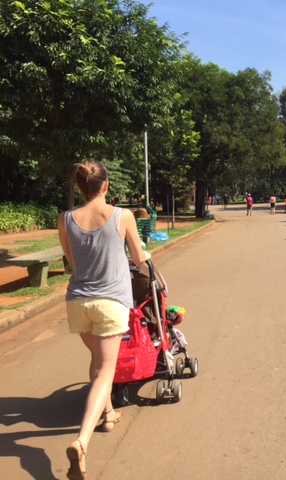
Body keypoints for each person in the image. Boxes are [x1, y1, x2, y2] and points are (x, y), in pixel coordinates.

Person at [58, 160, 150, 480]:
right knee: (105, 373)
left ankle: (109, 413)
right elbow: (138, 258)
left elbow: (73, 261)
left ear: (82, 187)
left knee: (97, 361)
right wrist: (146, 256)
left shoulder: (66, 219)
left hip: (78, 302)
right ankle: (82, 442)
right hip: (110, 303)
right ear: (106, 185)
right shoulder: (122, 215)